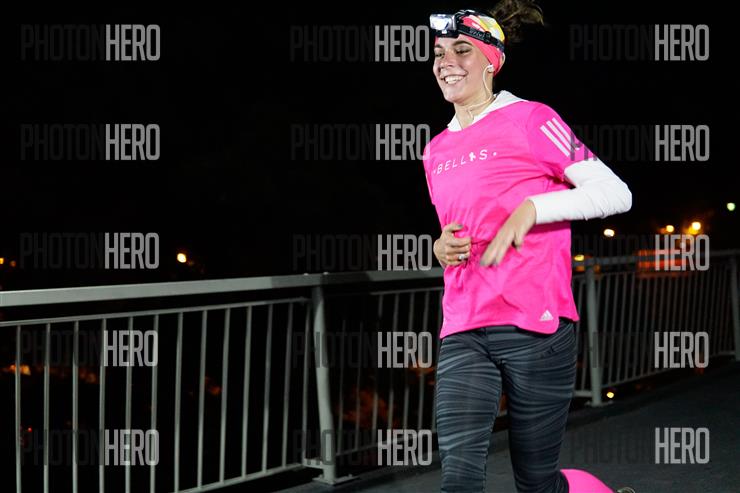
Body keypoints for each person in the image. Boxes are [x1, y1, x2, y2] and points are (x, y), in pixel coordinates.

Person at [423, 3, 636, 492]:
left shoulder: (533, 119)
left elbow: (616, 193)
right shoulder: (435, 150)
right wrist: (440, 247)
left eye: (461, 50)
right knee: (458, 480)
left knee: (537, 483)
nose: (446, 62)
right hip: (464, 326)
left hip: (536, 326)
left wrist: (534, 208)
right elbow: (458, 227)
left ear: (491, 62)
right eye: (439, 53)